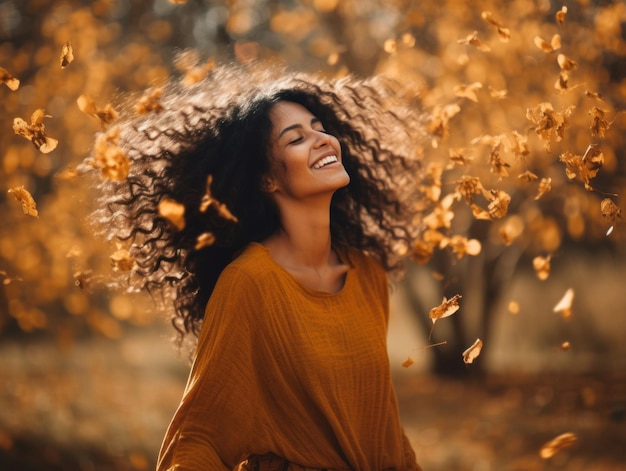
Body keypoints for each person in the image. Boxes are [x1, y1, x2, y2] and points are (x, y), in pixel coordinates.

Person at [85, 61, 425, 470]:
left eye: (319, 127)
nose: (321, 140)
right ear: (267, 180)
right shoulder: (250, 282)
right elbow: (201, 436)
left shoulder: (366, 272)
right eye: (296, 138)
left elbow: (381, 426)